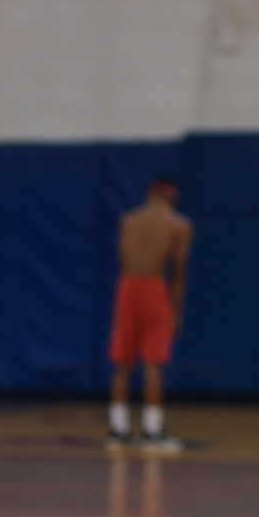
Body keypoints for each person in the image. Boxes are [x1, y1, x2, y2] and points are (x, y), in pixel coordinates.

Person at [108, 175, 193, 451]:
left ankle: (117, 427)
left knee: (123, 360)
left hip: (127, 287)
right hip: (154, 288)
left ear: (150, 193)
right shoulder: (180, 225)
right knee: (153, 360)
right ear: (173, 197)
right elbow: (178, 274)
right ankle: (152, 428)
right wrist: (176, 312)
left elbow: (121, 260)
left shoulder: (128, 220)